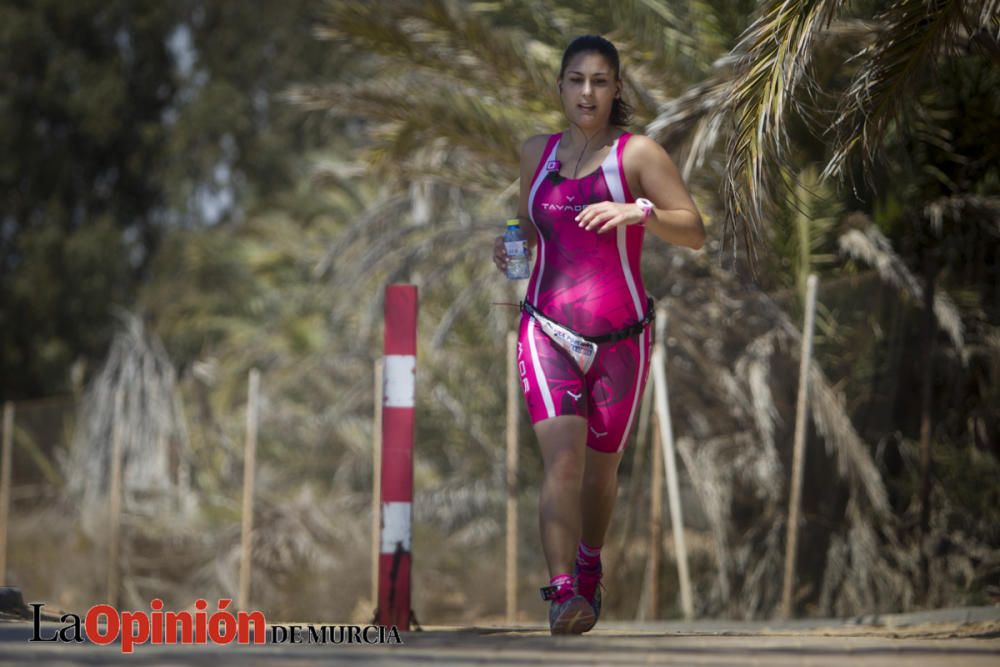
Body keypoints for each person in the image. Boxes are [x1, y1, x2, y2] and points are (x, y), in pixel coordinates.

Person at [492, 34, 706, 635]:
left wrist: (639, 212)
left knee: (600, 471)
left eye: (601, 81)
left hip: (623, 338)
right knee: (562, 460)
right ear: (560, 87)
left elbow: (693, 230)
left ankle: (590, 564)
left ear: (617, 90)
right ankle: (562, 593)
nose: (588, 92)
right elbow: (527, 227)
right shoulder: (537, 151)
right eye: (577, 80)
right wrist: (508, 248)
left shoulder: (636, 155)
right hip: (545, 329)